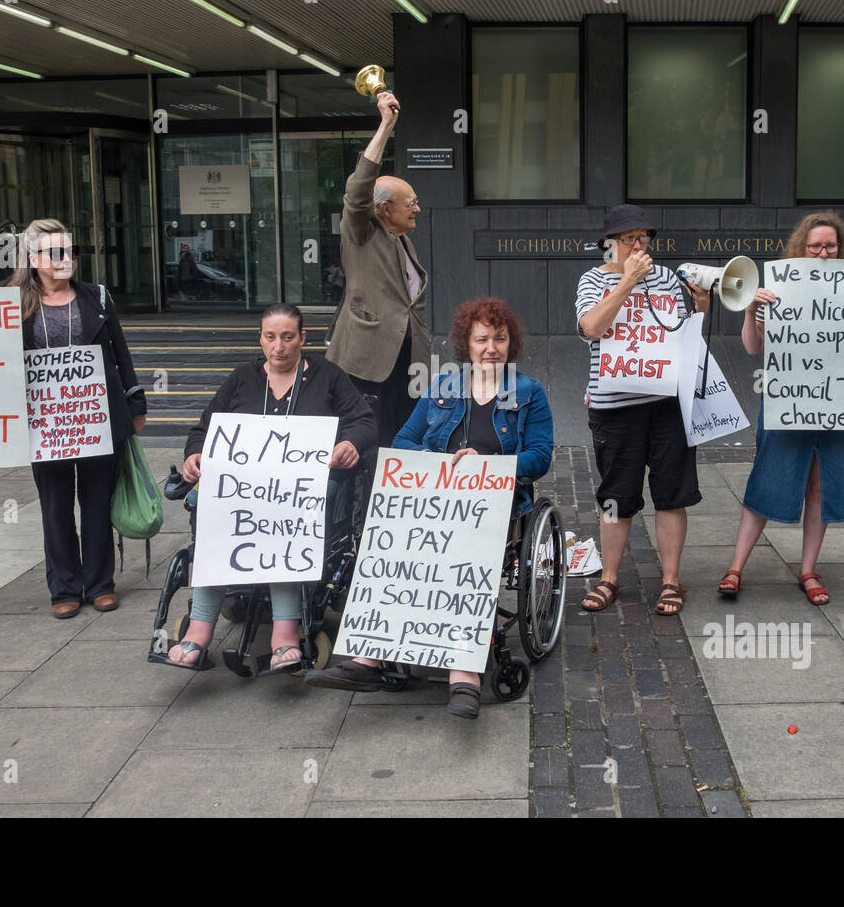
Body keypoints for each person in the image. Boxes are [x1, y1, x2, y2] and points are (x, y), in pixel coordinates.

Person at [304, 298, 554, 719]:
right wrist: (437, 461)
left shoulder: (528, 394)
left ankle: (464, 672)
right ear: (466, 344)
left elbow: (541, 456)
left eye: (499, 338)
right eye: (481, 339)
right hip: (432, 501)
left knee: (465, 555)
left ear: (512, 344)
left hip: (493, 506)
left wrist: (490, 465)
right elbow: (402, 441)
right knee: (386, 545)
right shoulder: (443, 387)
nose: (490, 347)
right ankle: (370, 658)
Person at [165, 303, 376, 670]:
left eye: (288, 337)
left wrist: (350, 443)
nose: (278, 346)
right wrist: (195, 454)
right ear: (261, 339)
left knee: (282, 521)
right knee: (212, 512)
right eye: (270, 337)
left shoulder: (327, 376)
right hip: (240, 493)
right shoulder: (243, 378)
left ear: (302, 339)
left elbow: (363, 421)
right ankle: (199, 627)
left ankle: (284, 631)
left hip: (299, 494)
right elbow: (204, 429)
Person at [0, 218, 147, 618]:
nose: (66, 259)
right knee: (55, 507)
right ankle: (64, 587)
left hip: (96, 420)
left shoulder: (97, 297)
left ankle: (100, 584)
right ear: (33, 259)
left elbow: (120, 353)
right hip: (44, 424)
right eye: (55, 252)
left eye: (70, 251)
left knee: (96, 503)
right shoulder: (10, 302)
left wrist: (135, 404)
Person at [717, 211, 844, 605]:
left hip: (839, 403)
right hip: (789, 399)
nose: (822, 252)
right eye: (814, 245)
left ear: (841, 247)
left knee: (821, 485)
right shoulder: (782, 286)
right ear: (801, 246)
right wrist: (751, 309)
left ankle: (808, 570)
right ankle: (735, 567)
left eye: (830, 245)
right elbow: (752, 347)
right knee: (769, 476)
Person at [575, 205, 709, 616]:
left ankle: (670, 581)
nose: (638, 245)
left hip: (666, 405)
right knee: (616, 496)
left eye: (643, 238)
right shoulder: (592, 280)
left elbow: (683, 336)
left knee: (672, 494)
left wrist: (701, 306)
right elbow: (592, 327)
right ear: (609, 244)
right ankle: (609, 578)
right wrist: (628, 282)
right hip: (616, 409)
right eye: (629, 238)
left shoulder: (667, 278)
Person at [325, 88, 429, 449]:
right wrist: (386, 125)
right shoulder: (362, 233)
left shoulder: (401, 238)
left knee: (403, 438)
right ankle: (364, 502)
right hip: (368, 362)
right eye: (411, 203)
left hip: (407, 362)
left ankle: (394, 498)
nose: (417, 208)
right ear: (384, 209)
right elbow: (357, 192)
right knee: (369, 440)